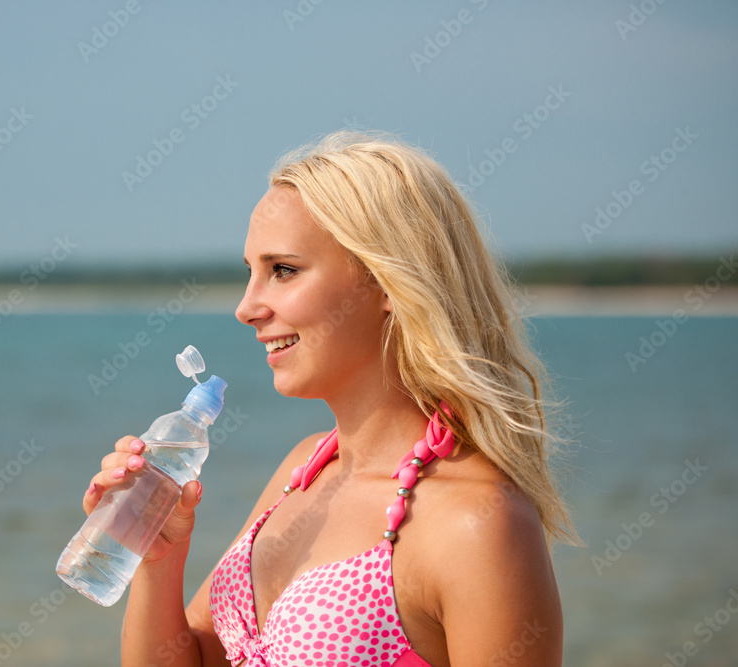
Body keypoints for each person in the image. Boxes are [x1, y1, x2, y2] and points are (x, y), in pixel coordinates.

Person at [84, 131, 580, 666]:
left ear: (388, 281)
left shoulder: (477, 524)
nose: (247, 307)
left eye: (283, 270)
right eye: (249, 272)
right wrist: (160, 556)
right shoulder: (305, 470)